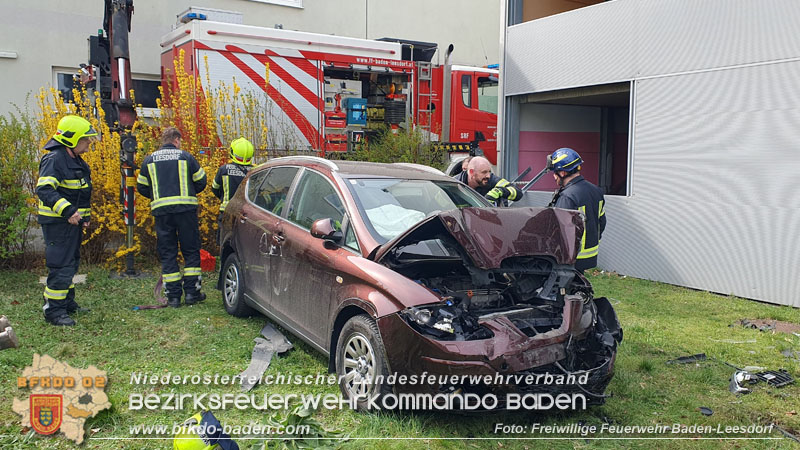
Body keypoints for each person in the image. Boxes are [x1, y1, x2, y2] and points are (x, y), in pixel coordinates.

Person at [36, 115, 97, 326]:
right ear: (72, 139)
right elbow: (44, 189)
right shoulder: (54, 159)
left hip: (71, 223)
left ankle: (67, 303)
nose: (89, 142)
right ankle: (54, 311)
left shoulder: (73, 159)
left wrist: (84, 218)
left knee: (71, 263)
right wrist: (69, 212)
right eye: (86, 139)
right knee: (61, 265)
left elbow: (80, 192)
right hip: (58, 223)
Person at [137, 127, 207, 308]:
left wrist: (157, 196)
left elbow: (142, 187)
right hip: (186, 211)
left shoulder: (149, 160)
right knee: (190, 251)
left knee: (168, 253)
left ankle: (173, 297)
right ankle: (192, 293)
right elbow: (201, 181)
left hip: (162, 212)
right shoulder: (186, 157)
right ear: (176, 140)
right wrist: (190, 191)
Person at [547, 147, 606, 273]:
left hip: (572, 256)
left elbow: (560, 230)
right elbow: (602, 222)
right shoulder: (596, 191)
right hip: (589, 254)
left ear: (562, 173)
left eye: (555, 172)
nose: (554, 177)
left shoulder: (567, 196)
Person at [211, 138, 254, 242]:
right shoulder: (254, 171)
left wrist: (222, 196)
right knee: (242, 242)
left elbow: (215, 188)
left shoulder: (224, 169)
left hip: (227, 211)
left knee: (225, 241)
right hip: (246, 214)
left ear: (233, 152)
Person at [455, 156, 523, 203]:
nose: (488, 176)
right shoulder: (454, 184)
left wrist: (500, 191)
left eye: (489, 171)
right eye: (484, 172)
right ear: (471, 172)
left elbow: (518, 192)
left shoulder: (492, 180)